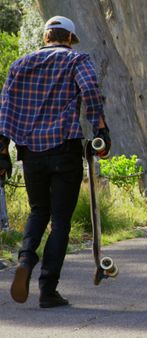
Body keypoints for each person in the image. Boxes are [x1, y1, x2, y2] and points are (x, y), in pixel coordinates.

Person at [0, 16, 110, 308]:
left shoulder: (19, 65)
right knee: (60, 221)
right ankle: (47, 290)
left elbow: (6, 108)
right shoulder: (76, 60)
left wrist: (3, 148)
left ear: (46, 37)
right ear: (70, 39)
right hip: (64, 149)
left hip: (31, 153)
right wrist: (100, 129)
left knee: (38, 211)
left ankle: (25, 258)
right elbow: (90, 91)